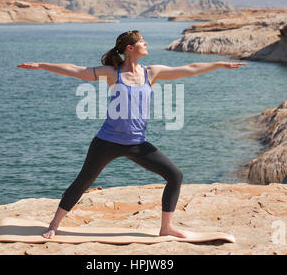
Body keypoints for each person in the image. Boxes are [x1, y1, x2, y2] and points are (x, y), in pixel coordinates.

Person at [17, 30, 246, 239]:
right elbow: (78, 71)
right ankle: (54, 225)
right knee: (83, 181)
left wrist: (219, 64)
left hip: (137, 143)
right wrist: (41, 65)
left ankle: (166, 227)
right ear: (129, 48)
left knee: (175, 175)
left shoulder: (151, 73)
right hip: (106, 142)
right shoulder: (112, 73)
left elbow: (190, 68)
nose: (146, 43)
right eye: (141, 41)